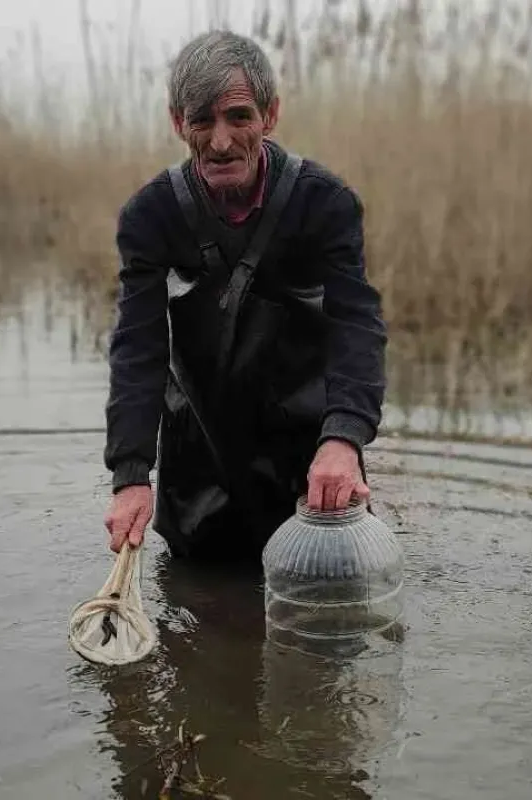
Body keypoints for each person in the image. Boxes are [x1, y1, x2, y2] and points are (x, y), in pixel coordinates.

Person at [102, 29, 388, 562]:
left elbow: (357, 325)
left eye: (238, 117)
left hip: (313, 463)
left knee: (327, 626)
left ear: (270, 115)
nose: (220, 141)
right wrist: (131, 475)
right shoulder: (150, 217)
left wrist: (344, 439)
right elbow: (138, 350)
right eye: (201, 120)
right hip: (198, 463)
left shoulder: (325, 203)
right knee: (192, 626)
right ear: (176, 123)